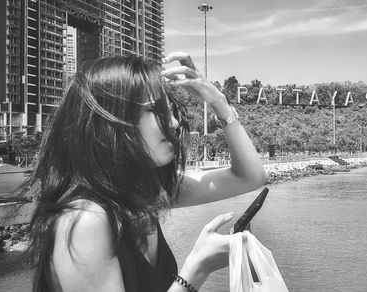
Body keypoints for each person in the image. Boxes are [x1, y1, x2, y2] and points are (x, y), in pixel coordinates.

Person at [21, 52, 268, 291]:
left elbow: (250, 177)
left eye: (170, 110)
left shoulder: (142, 194)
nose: (173, 124)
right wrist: (197, 268)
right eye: (154, 110)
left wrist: (218, 101)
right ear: (110, 122)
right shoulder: (85, 222)